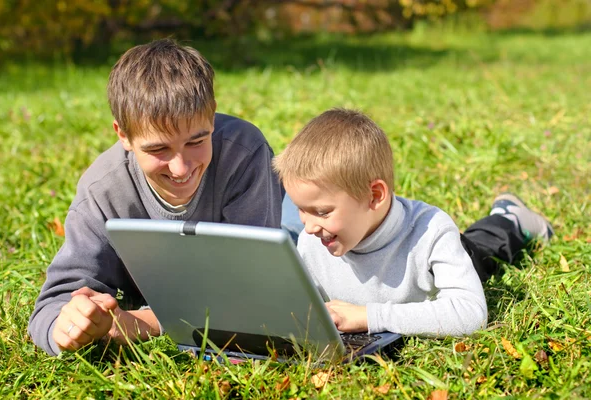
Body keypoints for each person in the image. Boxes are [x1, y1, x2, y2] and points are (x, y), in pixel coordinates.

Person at [28, 39, 283, 356]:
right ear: (123, 135)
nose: (181, 168)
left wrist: (144, 322)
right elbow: (52, 305)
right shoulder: (103, 191)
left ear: (212, 116)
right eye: (158, 149)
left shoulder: (244, 153)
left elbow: (255, 285)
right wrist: (69, 325)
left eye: (197, 141)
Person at [273, 108, 553, 336]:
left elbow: (470, 313)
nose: (308, 227)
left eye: (322, 212)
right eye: (301, 210)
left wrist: (370, 316)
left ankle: (510, 218)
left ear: (374, 196)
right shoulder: (313, 238)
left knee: (486, 249)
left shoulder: (432, 232)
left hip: (453, 249)